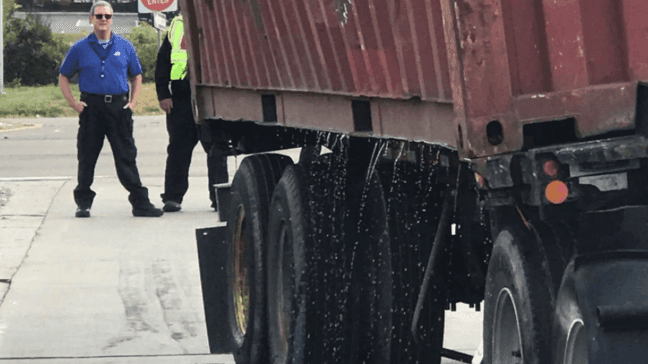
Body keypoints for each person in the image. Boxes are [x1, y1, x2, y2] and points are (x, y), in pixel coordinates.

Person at [59, 1, 164, 218]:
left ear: (112, 19)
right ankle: (83, 203)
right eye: (99, 16)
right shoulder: (79, 48)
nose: (103, 20)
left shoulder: (124, 46)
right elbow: (64, 76)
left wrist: (133, 103)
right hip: (92, 107)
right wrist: (73, 103)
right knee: (87, 156)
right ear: (91, 19)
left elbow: (136, 75)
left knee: (126, 155)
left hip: (118, 107)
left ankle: (140, 203)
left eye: (107, 16)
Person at [155, 12, 229, 212]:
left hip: (210, 95)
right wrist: (163, 94)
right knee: (178, 150)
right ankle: (172, 198)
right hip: (181, 99)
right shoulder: (177, 24)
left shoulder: (218, 20)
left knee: (216, 150)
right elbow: (162, 62)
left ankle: (219, 199)